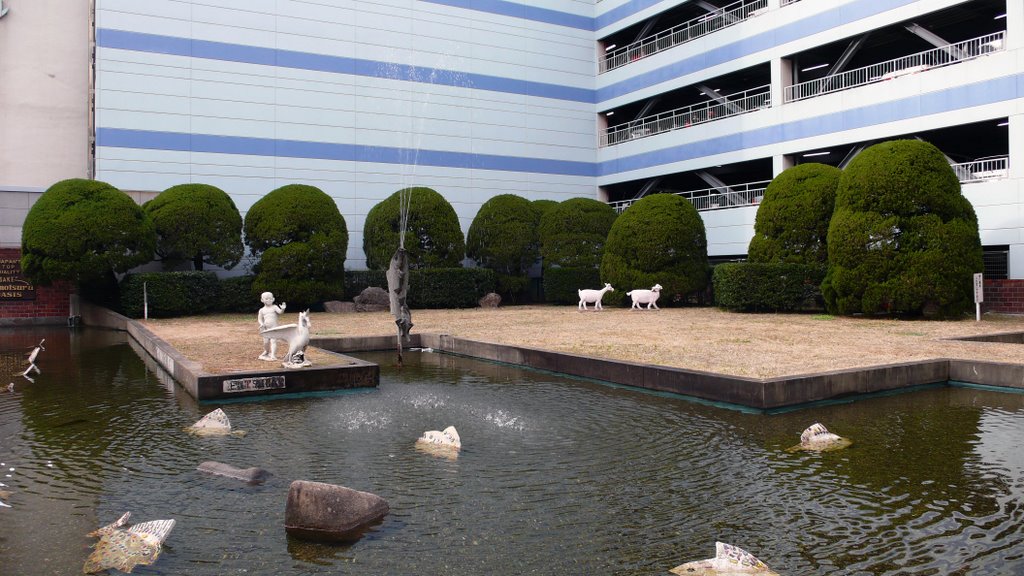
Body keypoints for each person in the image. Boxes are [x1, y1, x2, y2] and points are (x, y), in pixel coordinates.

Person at [257, 292, 286, 360]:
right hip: (266, 328)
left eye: (270, 299)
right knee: (266, 342)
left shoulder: (274, 307)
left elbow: (280, 312)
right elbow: (260, 319)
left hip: (274, 328)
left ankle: (273, 354)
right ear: (262, 300)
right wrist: (261, 323)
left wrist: (282, 309)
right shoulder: (262, 310)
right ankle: (266, 351)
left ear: (273, 299)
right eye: (266, 299)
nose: (269, 300)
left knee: (273, 341)